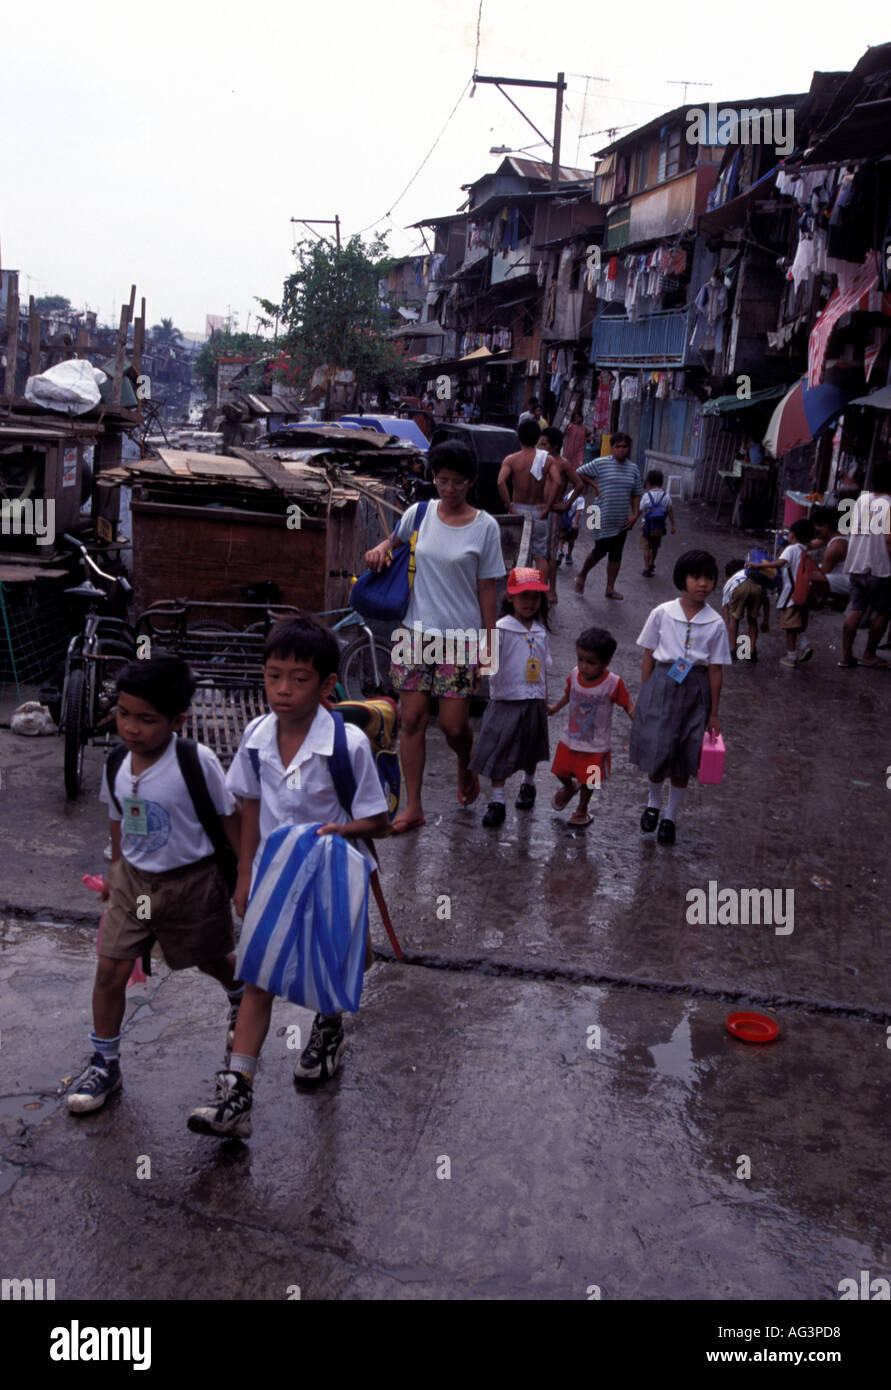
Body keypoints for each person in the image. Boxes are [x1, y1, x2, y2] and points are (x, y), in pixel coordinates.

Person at [188, 617, 391, 1139]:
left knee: (327, 966)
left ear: (326, 685)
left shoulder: (347, 746)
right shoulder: (257, 736)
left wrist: (341, 829)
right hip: (273, 879)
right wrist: (243, 874)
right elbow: (250, 810)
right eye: (273, 675)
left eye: (298, 679)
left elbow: (380, 820)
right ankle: (237, 1097)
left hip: (329, 877)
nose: (282, 689)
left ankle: (328, 1028)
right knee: (257, 980)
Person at [67, 655, 242, 1115]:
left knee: (209, 960)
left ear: (177, 719)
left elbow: (230, 820)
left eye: (146, 719)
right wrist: (115, 872)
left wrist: (244, 876)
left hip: (192, 884)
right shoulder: (115, 763)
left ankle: (240, 994)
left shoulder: (195, 761)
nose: (131, 727)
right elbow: (117, 820)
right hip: (133, 887)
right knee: (110, 972)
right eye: (124, 714)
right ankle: (105, 1061)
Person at [364, 441, 505, 832]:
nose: (449, 489)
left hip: (460, 639)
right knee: (411, 720)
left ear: (471, 482)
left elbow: (488, 590)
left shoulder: (486, 527)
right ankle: (414, 806)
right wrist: (377, 550)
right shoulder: (418, 513)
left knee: (454, 726)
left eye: (457, 482)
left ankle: (465, 760)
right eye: (441, 480)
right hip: (414, 632)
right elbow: (389, 544)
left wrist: (489, 648)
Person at [630, 550, 731, 845]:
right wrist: (646, 691)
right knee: (658, 750)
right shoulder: (661, 613)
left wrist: (714, 712)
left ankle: (670, 817)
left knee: (684, 754)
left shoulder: (715, 623)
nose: (703, 584)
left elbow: (715, 671)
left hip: (695, 690)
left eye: (709, 578)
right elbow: (648, 655)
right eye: (696, 577)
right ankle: (653, 804)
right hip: (662, 683)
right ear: (682, 579)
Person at [469, 568, 552, 828]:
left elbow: (543, 668)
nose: (529, 603)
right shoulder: (501, 629)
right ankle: (497, 801)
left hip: (534, 700)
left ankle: (529, 785)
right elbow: (485, 662)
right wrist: (479, 671)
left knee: (531, 747)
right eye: (524, 596)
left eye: (535, 597)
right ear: (509, 598)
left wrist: (545, 698)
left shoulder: (540, 632)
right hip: (506, 699)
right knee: (500, 751)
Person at [547, 626, 634, 829]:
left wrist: (635, 716)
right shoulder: (574, 674)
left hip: (597, 746)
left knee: (591, 780)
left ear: (606, 663)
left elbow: (626, 704)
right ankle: (569, 787)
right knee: (560, 770)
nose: (584, 666)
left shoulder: (613, 683)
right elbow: (569, 695)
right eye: (580, 659)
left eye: (591, 662)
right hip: (570, 739)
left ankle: (582, 809)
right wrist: (554, 708)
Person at [569, 433, 643, 600]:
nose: (621, 450)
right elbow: (578, 472)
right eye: (617, 446)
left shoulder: (633, 469)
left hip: (621, 516)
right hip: (597, 513)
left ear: (629, 448)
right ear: (612, 448)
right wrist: (594, 485)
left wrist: (635, 514)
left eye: (624, 446)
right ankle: (582, 575)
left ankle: (610, 588)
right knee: (600, 550)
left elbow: (637, 493)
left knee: (616, 553)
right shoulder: (601, 463)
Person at [839, 462, 891, 669]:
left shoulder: (861, 499)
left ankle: (845, 655)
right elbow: (888, 540)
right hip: (881, 568)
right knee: (882, 612)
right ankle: (869, 654)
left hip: (857, 563)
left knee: (855, 609)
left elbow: (849, 527)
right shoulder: (889, 503)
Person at [498, 418, 552, 588]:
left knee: (516, 554)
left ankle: (518, 594)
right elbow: (558, 481)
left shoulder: (512, 459)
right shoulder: (546, 460)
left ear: (518, 437)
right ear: (537, 438)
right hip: (539, 509)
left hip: (518, 509)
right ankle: (540, 593)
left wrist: (509, 506)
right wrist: (549, 506)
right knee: (539, 555)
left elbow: (500, 482)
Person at [773, 518, 825, 668]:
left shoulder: (790, 550)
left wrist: (759, 565)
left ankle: (791, 657)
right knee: (798, 626)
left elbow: (780, 563)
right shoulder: (804, 548)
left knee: (790, 628)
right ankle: (805, 645)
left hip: (791, 596)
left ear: (793, 535)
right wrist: (790, 534)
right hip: (803, 594)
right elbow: (809, 541)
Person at [721, 557, 770, 662]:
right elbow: (766, 602)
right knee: (752, 620)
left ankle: (733, 650)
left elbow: (725, 606)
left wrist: (726, 624)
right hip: (757, 588)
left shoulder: (731, 580)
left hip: (740, 589)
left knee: (734, 618)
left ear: (729, 575)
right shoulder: (754, 574)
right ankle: (751, 651)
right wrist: (766, 620)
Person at [810, 504, 850, 609]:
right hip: (848, 577)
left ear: (825, 527)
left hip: (849, 582)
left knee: (813, 579)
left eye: (817, 529)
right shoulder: (838, 534)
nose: (815, 532)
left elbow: (822, 575)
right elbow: (813, 543)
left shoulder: (835, 547)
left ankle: (842, 598)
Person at [638, 469, 676, 577]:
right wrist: (673, 525)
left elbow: (641, 509)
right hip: (659, 526)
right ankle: (652, 564)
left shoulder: (646, 496)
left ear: (649, 482)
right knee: (654, 547)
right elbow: (670, 511)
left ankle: (646, 568)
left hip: (646, 525)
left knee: (646, 547)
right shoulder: (666, 496)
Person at [556, 488, 585, 566]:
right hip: (573, 524)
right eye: (586, 487)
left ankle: (560, 551)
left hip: (564, 521)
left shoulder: (569, 494)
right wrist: (575, 523)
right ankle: (569, 555)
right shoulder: (581, 499)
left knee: (561, 539)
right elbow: (578, 512)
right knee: (571, 541)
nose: (586, 490)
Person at [562, 408, 591, 472]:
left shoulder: (585, 428)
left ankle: (577, 477)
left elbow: (588, 436)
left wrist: (589, 439)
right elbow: (563, 434)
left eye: (578, 417)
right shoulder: (570, 426)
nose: (577, 419)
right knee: (568, 463)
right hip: (570, 449)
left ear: (581, 418)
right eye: (576, 417)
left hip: (580, 449)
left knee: (579, 464)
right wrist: (565, 431)